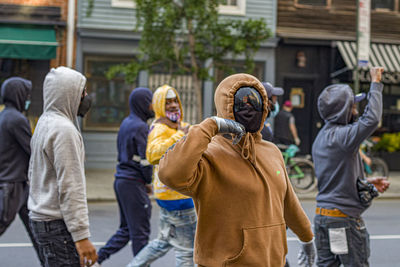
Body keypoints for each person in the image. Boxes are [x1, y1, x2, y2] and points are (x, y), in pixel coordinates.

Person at [157, 74, 315, 267]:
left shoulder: (271, 151)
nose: (249, 109)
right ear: (226, 106)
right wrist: (210, 126)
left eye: (255, 102)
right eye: (241, 103)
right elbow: (170, 174)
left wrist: (307, 238)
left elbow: (288, 202)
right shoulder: (209, 154)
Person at [312, 67, 390, 267]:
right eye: (353, 106)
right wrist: (376, 83)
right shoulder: (344, 137)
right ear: (343, 111)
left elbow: (334, 177)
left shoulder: (321, 139)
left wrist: (365, 181)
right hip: (343, 220)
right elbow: (371, 119)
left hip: (323, 218)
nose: (356, 110)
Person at [28, 67, 97, 267]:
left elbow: (33, 173)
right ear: (68, 93)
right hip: (58, 225)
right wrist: (81, 236)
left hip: (42, 221)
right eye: (82, 92)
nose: (85, 97)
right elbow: (71, 186)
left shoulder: (45, 122)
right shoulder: (64, 130)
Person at [127, 84, 196, 267]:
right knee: (187, 251)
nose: (173, 106)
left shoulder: (177, 126)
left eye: (175, 101)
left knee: (163, 241)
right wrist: (180, 135)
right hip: (178, 196)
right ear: (158, 105)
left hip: (172, 195)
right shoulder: (160, 128)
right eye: (167, 103)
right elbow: (152, 154)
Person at [96, 88, 154, 265]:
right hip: (133, 182)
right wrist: (148, 180)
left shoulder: (126, 122)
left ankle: (96, 258)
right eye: (151, 101)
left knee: (127, 230)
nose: (154, 106)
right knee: (140, 234)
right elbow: (146, 160)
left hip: (122, 180)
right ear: (143, 103)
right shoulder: (141, 127)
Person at [0, 77, 44, 265]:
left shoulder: (4, 115)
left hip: (19, 184)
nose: (28, 98)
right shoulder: (17, 120)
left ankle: (48, 262)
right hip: (13, 184)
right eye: (26, 94)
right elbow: (33, 150)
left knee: (37, 231)